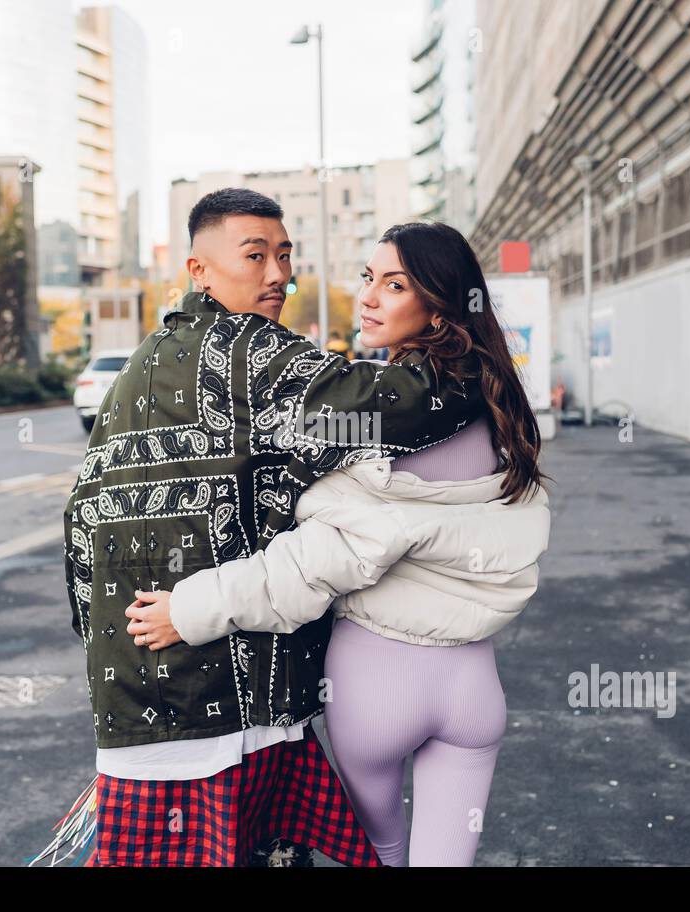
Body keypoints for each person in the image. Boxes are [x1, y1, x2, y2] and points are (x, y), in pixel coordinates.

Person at [36, 190, 485, 868]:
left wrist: (115, 659)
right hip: (238, 706)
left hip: (131, 706)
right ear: (200, 270)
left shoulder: (133, 373)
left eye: (284, 256)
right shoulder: (253, 348)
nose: (278, 274)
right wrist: (461, 343)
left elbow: (78, 526)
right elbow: (400, 407)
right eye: (255, 256)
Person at [124, 221, 552, 866]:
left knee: (383, 856)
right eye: (368, 278)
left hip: (374, 690)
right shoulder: (497, 412)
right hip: (473, 691)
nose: (370, 298)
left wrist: (191, 610)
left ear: (438, 304)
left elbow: (318, 561)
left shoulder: (381, 424)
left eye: (396, 284)